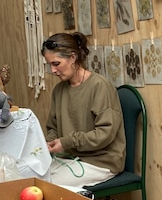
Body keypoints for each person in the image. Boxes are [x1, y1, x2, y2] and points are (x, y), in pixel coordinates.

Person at [42, 32, 126, 190]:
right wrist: (49, 144)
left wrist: (67, 142)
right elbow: (52, 127)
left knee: (48, 187)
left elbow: (104, 134)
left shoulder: (99, 86)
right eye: (50, 65)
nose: (52, 70)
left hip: (101, 161)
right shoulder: (59, 90)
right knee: (31, 177)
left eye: (56, 63)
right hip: (71, 157)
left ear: (73, 58)